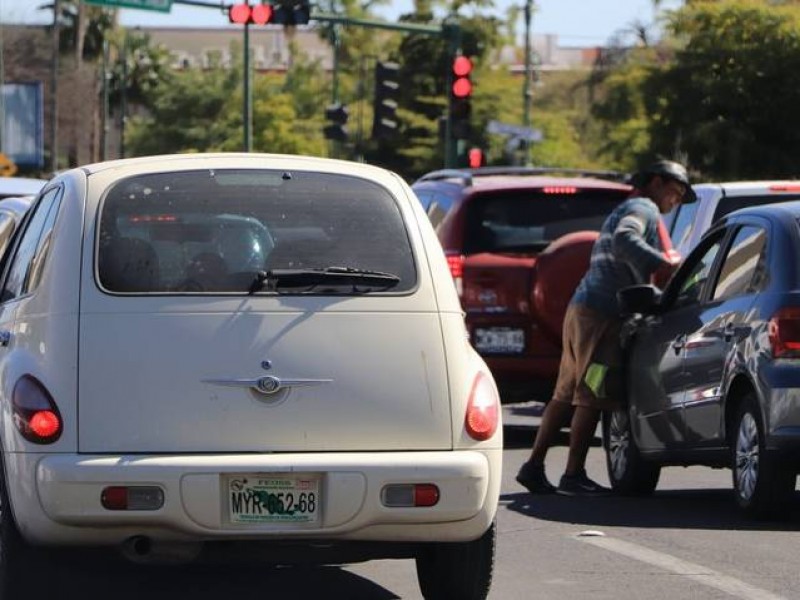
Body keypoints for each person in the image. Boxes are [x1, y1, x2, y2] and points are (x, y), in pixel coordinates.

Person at [516, 159, 697, 496]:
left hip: (583, 309)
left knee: (565, 393)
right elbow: (625, 240)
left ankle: (533, 466)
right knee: (592, 394)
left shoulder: (630, 206)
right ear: (657, 182)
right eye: (676, 192)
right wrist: (666, 265)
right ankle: (573, 475)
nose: (674, 202)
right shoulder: (643, 207)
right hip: (602, 315)